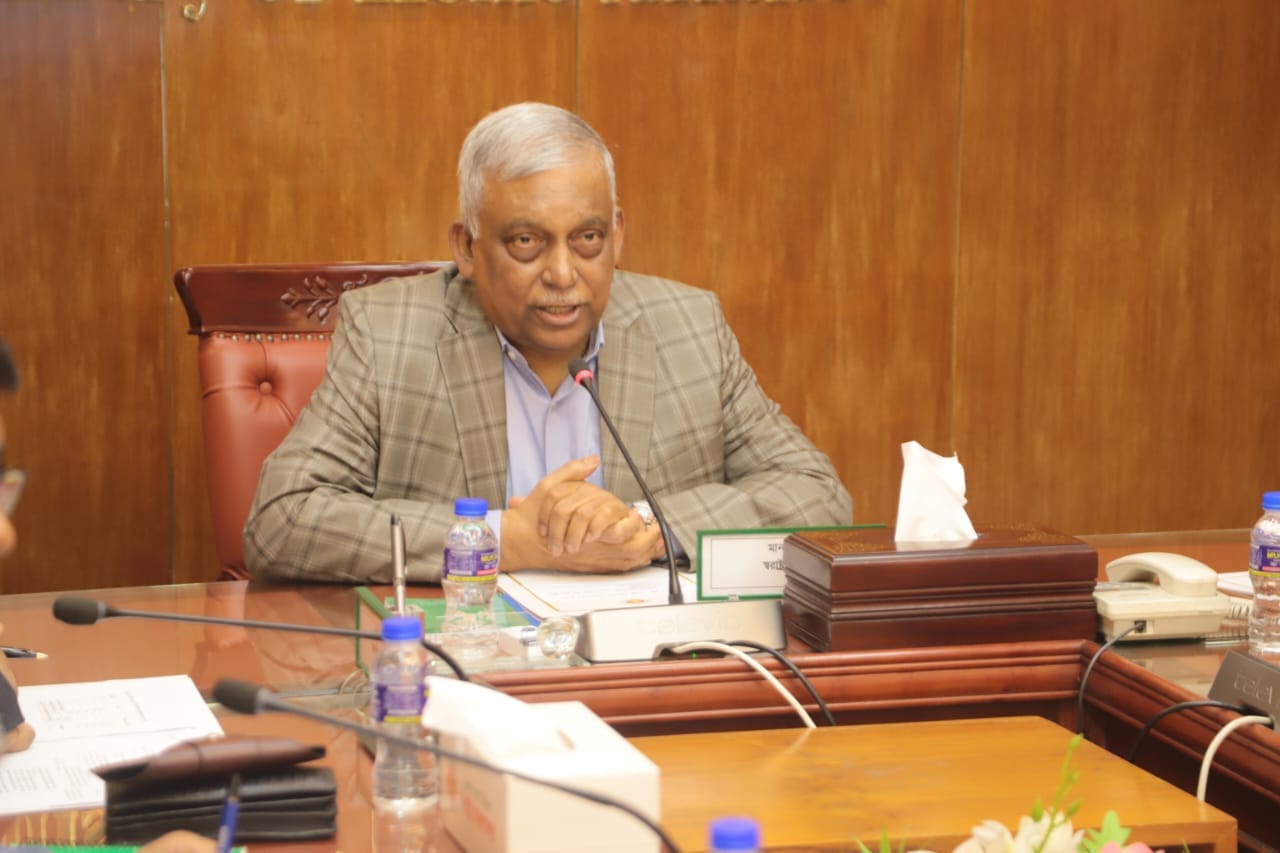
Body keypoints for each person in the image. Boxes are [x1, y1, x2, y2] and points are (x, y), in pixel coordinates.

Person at [244, 102, 852, 583]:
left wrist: (644, 526)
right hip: (471, 665)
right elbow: (281, 519)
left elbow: (819, 496)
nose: (563, 275)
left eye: (587, 239)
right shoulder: (389, 333)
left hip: (643, 668)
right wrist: (504, 540)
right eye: (527, 243)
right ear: (467, 248)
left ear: (617, 235)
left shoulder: (688, 327)